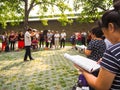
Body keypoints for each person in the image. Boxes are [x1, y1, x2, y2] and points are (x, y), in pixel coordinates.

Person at [75, 1, 120, 89]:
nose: (105, 37)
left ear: (111, 27)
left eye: (104, 33)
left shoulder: (113, 51)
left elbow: (101, 87)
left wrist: (84, 71)